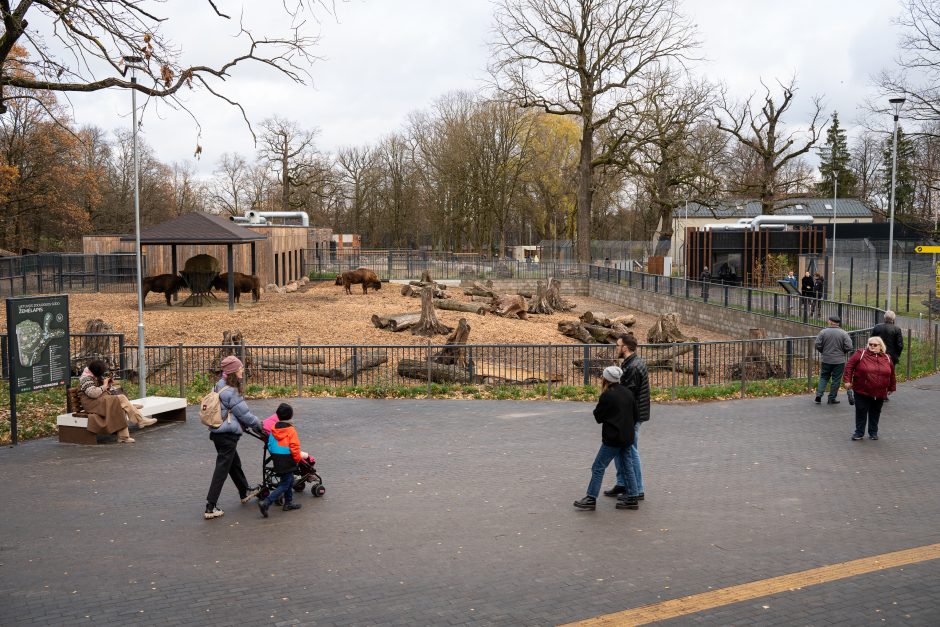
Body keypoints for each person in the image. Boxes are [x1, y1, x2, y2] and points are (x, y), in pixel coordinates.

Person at [204, 355, 263, 520]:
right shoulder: (231, 391)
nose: (242, 370)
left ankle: (244, 491)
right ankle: (210, 506)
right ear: (233, 371)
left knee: (233, 464)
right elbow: (245, 415)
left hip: (218, 433)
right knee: (222, 469)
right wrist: (261, 425)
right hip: (227, 435)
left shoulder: (219, 384)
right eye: (240, 368)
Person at [573, 367, 637, 512]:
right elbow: (636, 415)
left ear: (606, 379)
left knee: (598, 466)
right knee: (628, 465)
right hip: (627, 436)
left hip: (613, 438)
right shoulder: (628, 392)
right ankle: (632, 496)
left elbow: (598, 416)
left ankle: (591, 497)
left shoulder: (607, 395)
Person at [604, 333, 650, 508]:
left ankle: (637, 489)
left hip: (632, 416)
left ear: (625, 348)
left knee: (630, 451)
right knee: (622, 450)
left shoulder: (632, 367)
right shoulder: (634, 363)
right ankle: (623, 483)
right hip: (636, 414)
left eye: (617, 345)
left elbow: (628, 396)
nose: (616, 348)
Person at [78, 359, 156, 443]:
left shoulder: (93, 374)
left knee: (120, 405)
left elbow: (100, 389)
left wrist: (108, 384)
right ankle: (139, 419)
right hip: (91, 404)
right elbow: (93, 393)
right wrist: (104, 385)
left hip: (99, 401)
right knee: (121, 399)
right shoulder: (86, 378)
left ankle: (123, 437)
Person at [258, 403, 311, 517]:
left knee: (289, 480)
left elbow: (270, 445)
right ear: (291, 416)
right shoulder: (291, 430)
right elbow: (295, 447)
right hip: (288, 458)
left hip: (277, 457)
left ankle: (288, 503)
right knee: (285, 483)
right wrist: (297, 460)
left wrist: (276, 454)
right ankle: (266, 502)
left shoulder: (273, 429)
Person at [844, 336, 896, 441]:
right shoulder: (861, 354)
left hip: (880, 391)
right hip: (862, 389)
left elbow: (892, 374)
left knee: (875, 411)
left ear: (881, 346)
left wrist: (891, 387)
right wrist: (847, 380)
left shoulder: (887, 358)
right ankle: (859, 432)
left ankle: (873, 432)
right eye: (870, 344)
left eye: (875, 345)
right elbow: (849, 366)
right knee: (861, 410)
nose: (872, 346)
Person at [814, 316, 854, 404]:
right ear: (838, 323)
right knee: (836, 379)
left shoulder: (823, 332)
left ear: (830, 322)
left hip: (826, 359)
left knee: (824, 377)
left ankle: (819, 395)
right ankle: (831, 398)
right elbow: (849, 346)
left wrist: (823, 351)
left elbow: (817, 344)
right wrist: (842, 352)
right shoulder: (844, 333)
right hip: (839, 361)